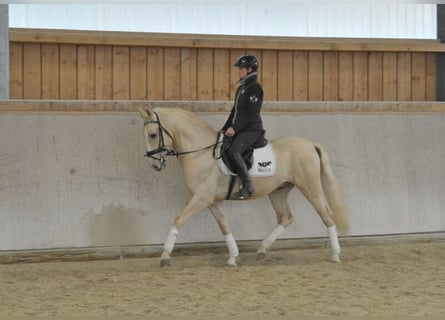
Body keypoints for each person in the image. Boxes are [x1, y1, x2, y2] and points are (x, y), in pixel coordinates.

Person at [221, 54, 265, 199]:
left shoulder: (254, 88)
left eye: (241, 69)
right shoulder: (241, 89)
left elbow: (250, 114)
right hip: (242, 129)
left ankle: (248, 186)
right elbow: (235, 111)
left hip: (253, 129)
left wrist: (234, 128)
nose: (238, 71)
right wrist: (225, 128)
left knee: (234, 151)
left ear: (250, 69)